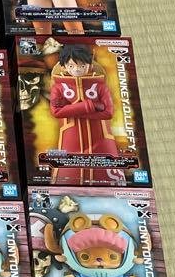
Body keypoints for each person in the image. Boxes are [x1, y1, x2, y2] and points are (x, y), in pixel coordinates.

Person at [48, 44, 124, 184]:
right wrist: (91, 106)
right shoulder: (58, 87)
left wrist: (72, 110)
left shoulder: (100, 86)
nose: (77, 69)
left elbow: (108, 113)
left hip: (100, 137)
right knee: (68, 176)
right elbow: (56, 111)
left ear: (90, 66)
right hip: (71, 137)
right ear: (64, 66)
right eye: (71, 66)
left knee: (107, 176)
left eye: (82, 66)